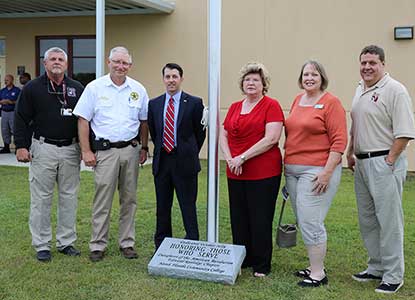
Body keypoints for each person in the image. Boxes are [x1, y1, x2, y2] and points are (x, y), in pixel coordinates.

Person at [347, 45, 415, 294]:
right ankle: (375, 267)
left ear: (383, 64)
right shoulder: (360, 89)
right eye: (363, 62)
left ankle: (393, 275)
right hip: (362, 162)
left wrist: (390, 160)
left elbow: (405, 132)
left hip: (384, 162)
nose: (367, 67)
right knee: (368, 219)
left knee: (389, 221)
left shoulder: (395, 90)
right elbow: (357, 124)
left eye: (372, 63)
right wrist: (350, 152)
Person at [73, 46, 149, 262]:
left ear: (130, 66)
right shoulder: (95, 88)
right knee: (102, 199)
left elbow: (144, 121)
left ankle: (127, 243)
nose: (120, 66)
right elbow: (83, 120)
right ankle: (98, 244)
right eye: (117, 61)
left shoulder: (138, 89)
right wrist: (86, 150)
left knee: (129, 199)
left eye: (125, 63)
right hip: (105, 152)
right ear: (108, 62)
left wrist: (144, 147)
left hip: (131, 150)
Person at [14, 47, 84, 262]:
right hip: (43, 148)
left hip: (71, 149)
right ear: (45, 64)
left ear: (66, 64)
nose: (56, 62)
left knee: (69, 197)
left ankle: (66, 242)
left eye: (60, 59)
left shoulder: (76, 88)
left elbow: (85, 120)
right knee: (41, 199)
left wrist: (85, 147)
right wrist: (21, 146)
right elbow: (20, 118)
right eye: (52, 59)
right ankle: (42, 244)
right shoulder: (33, 88)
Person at [284, 60, 347, 287]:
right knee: (304, 219)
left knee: (311, 221)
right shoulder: (297, 100)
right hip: (292, 171)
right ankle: (313, 265)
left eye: (314, 74)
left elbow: (339, 141)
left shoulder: (332, 103)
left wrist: (327, 172)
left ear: (322, 78)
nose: (309, 78)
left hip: (317, 170)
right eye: (306, 74)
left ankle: (318, 274)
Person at [220, 62, 284, 277]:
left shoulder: (271, 105)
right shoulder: (235, 106)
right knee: (239, 217)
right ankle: (243, 258)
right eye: (247, 79)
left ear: (264, 84)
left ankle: (261, 264)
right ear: (242, 83)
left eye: (256, 80)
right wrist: (229, 158)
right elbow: (224, 133)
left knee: (260, 217)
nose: (251, 83)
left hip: (263, 171)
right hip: (235, 170)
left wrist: (242, 157)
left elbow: (272, 138)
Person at [148, 63, 206, 250]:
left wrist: (189, 152)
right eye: (167, 77)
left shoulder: (195, 103)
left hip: (185, 162)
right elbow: (154, 131)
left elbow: (200, 133)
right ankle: (162, 245)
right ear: (163, 79)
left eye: (175, 76)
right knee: (162, 207)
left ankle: (192, 242)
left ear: (181, 78)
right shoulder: (154, 104)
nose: (171, 80)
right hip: (163, 161)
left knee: (187, 205)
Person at [0, 74, 21, 153]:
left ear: (12, 80)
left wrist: (11, 102)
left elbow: (20, 101)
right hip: (4, 112)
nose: (5, 81)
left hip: (13, 112)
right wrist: (2, 102)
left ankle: (17, 148)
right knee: (5, 130)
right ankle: (6, 147)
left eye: (7, 80)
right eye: (5, 80)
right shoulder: (2, 91)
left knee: (14, 130)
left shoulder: (17, 90)